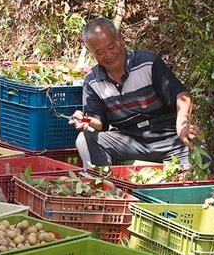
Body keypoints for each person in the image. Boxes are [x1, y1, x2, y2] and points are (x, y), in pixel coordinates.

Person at [69, 17, 201, 169]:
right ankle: (102, 186)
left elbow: (181, 95)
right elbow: (99, 123)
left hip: (169, 138)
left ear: (120, 39)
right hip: (131, 141)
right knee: (84, 139)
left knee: (199, 160)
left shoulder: (147, 63)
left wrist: (182, 122)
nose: (108, 55)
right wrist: (86, 121)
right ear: (92, 53)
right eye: (99, 52)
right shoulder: (92, 82)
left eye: (111, 47)